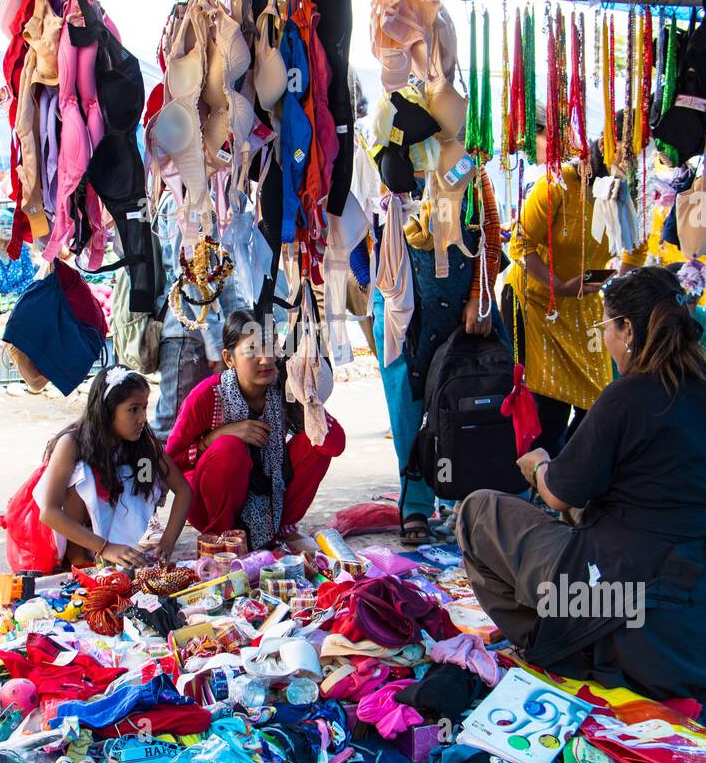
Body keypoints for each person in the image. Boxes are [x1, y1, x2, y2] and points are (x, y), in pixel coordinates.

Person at [458, 266, 706, 700]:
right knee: (587, 519)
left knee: (477, 512)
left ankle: (568, 643)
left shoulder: (628, 396)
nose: (605, 339)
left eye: (605, 326)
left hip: (640, 628)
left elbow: (558, 492)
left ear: (626, 331)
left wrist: (539, 465)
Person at [373, 164, 505, 540]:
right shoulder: (389, 166)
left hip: (465, 304)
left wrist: (480, 294)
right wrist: (388, 288)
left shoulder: (470, 171)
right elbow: (361, 238)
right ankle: (416, 504)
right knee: (408, 412)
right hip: (406, 312)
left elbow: (490, 234)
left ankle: (465, 498)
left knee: (467, 403)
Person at [166, 308, 345, 548]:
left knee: (315, 442)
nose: (266, 359)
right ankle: (224, 540)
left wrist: (310, 398)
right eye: (253, 350)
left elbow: (336, 444)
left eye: (271, 347)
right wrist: (213, 439)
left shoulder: (285, 388)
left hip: (273, 500)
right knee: (229, 448)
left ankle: (283, 526)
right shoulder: (207, 395)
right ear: (229, 359)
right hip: (210, 507)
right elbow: (171, 463)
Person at [501, 105, 613, 458]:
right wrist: (560, 286)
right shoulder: (559, 183)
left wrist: (617, 284)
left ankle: (565, 475)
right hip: (538, 302)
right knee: (548, 404)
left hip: (586, 305)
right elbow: (520, 243)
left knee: (599, 401)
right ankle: (541, 483)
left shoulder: (625, 192)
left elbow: (635, 250)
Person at [35, 364, 191, 568]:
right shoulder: (72, 443)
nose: (143, 418)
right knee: (83, 474)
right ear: (107, 411)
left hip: (108, 540)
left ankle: (111, 547)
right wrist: (106, 547)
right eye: (133, 410)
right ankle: (77, 556)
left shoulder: (143, 443)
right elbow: (48, 512)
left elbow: (183, 490)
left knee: (143, 470)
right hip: (61, 538)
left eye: (144, 408)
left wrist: (167, 542)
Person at [149, 190, 242, 436]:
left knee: (203, 424)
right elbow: (189, 276)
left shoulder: (217, 196)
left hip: (207, 337)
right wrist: (215, 343)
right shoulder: (183, 200)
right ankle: (148, 475)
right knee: (171, 427)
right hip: (188, 337)